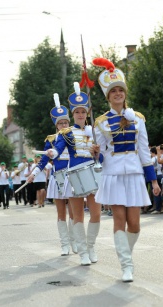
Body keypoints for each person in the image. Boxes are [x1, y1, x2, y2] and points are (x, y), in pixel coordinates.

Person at [92, 58, 160, 282]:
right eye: (113, 92)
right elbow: (101, 155)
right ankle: (126, 265)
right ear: (108, 97)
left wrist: (154, 181)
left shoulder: (138, 119)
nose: (118, 94)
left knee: (136, 224)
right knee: (119, 219)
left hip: (134, 174)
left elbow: (143, 151)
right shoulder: (101, 122)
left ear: (125, 94)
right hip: (113, 174)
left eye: (120, 90)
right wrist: (95, 153)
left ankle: (125, 255)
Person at [46, 83, 103, 266]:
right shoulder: (67, 133)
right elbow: (59, 148)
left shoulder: (94, 132)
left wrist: (97, 152)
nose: (80, 114)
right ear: (73, 114)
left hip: (92, 174)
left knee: (96, 215)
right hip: (75, 176)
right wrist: (53, 154)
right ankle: (83, 252)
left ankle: (91, 246)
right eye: (77, 112)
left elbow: (101, 156)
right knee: (77, 216)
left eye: (83, 112)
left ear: (87, 113)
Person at [27, 94, 76, 256]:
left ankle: (74, 240)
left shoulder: (75, 136)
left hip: (74, 175)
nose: (63, 125)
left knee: (75, 212)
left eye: (65, 122)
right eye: (60, 123)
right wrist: (33, 174)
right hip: (58, 177)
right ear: (56, 125)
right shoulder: (51, 139)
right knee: (61, 212)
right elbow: (43, 161)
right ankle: (64, 244)